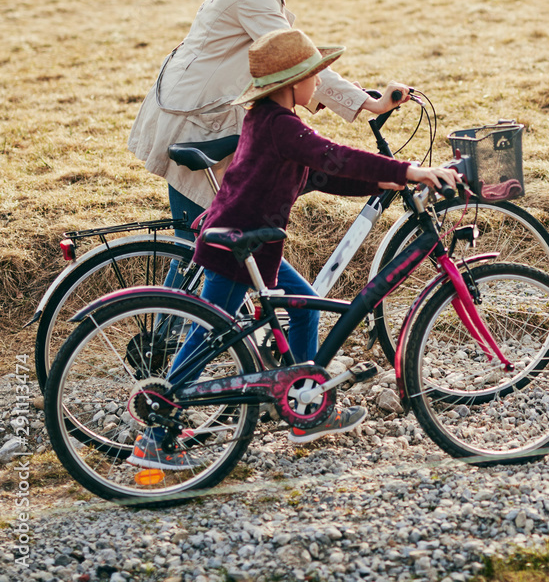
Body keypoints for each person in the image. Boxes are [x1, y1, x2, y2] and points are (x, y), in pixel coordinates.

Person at [128, 29, 458, 471]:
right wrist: (409, 170)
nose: (319, 83)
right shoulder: (281, 126)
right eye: (314, 75)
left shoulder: (268, 120)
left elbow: (324, 173)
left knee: (304, 308)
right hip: (238, 247)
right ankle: (155, 432)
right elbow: (332, 155)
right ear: (291, 83)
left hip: (250, 241)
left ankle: (306, 408)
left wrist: (391, 179)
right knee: (207, 335)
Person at [128, 0, 413, 240]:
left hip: (199, 110)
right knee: (199, 248)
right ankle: (166, 297)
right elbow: (295, 59)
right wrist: (367, 103)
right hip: (194, 121)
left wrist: (350, 96)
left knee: (218, 236)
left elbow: (296, 61)